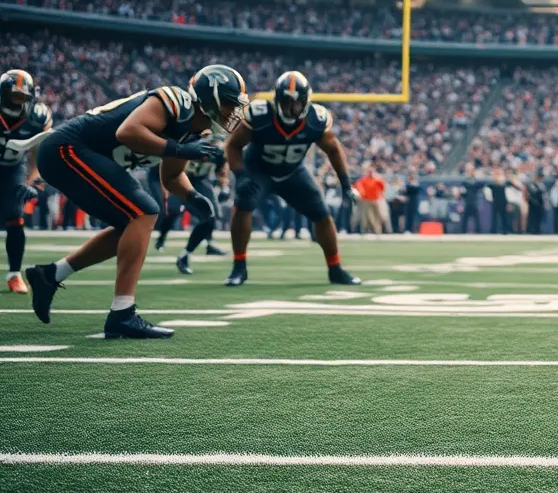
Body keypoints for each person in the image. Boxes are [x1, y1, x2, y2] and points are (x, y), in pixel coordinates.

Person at [25, 65, 245, 338]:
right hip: (66, 149)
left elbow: (172, 175)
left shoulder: (191, 130)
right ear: (211, 97)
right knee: (145, 211)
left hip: (77, 155)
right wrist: (178, 148)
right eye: (230, 103)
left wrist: (193, 196)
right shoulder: (177, 101)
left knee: (131, 225)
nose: (232, 112)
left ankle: (50, 275)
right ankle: (122, 314)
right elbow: (128, 131)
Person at [223, 71, 360, 287]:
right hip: (259, 171)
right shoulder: (259, 115)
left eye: (296, 102)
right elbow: (233, 145)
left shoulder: (316, 119)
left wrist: (346, 185)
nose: (291, 108)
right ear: (276, 100)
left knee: (322, 214)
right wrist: (240, 176)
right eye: (286, 102)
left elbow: (334, 150)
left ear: (306, 101)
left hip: (293, 172)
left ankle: (335, 268)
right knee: (243, 204)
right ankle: (239, 266)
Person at [0, 70, 52, 294]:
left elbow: (38, 154)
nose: (17, 102)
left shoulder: (38, 117)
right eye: (14, 96)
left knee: (15, 217)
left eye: (22, 97)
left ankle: (14, 274)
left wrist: (32, 181)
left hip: (13, 169)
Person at [151, 135, 229, 274]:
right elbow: (170, 168)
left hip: (201, 180)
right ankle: (162, 237)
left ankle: (191, 251)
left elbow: (222, 171)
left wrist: (224, 187)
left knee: (211, 216)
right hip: (181, 178)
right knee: (173, 210)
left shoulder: (219, 154)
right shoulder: (192, 147)